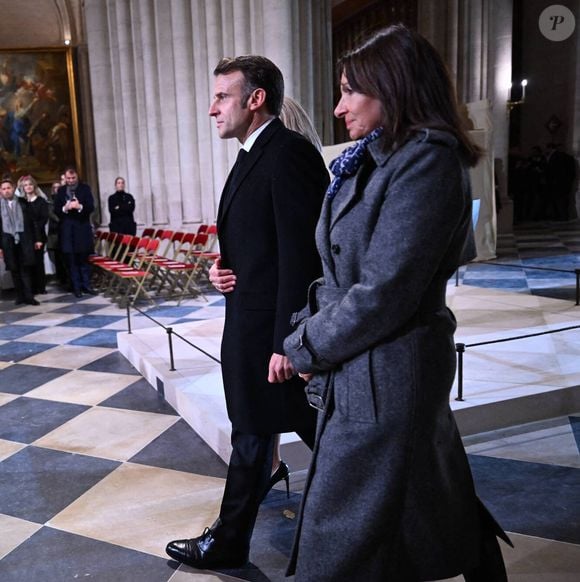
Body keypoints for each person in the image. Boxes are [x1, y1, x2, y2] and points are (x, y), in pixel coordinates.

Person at [283, 25, 511, 581]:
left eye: (348, 91)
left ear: (391, 87)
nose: (338, 108)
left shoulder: (426, 163)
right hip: (369, 365)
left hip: (390, 367)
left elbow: (386, 292)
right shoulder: (375, 156)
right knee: (413, 505)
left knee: (344, 537)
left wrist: (308, 343)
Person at [165, 55, 329, 570]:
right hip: (251, 323)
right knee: (266, 432)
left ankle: (397, 513)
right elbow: (263, 246)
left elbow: (305, 257)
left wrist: (288, 340)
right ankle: (231, 539)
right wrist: (224, 269)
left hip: (270, 336)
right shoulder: (252, 154)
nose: (211, 108)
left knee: (288, 433)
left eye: (221, 97)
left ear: (255, 99)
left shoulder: (288, 154)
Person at [54, 166, 97, 297]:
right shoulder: (61, 191)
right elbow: (56, 210)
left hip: (82, 229)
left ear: (77, 177)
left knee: (83, 260)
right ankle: (76, 288)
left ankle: (86, 285)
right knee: (71, 261)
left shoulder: (85, 189)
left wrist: (80, 207)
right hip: (67, 231)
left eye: (73, 178)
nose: (71, 180)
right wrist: (65, 208)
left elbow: (91, 206)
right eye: (68, 178)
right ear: (65, 178)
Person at [0, 177, 40, 305]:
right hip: (7, 241)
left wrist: (37, 239)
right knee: (14, 270)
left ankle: (29, 296)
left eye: (8, 188)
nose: (6, 191)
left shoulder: (23, 202)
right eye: (3, 189)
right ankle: (20, 296)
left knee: (25, 269)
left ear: (13, 189)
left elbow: (33, 222)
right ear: (0, 191)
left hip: (24, 240)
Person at [19, 175, 49, 294]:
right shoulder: (21, 202)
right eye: (25, 185)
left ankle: (41, 287)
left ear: (34, 186)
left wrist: (36, 232)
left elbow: (44, 218)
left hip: (39, 235)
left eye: (30, 184)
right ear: (23, 187)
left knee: (38, 261)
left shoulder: (41, 201)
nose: (28, 187)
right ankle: (30, 288)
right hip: (25, 237)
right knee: (27, 262)